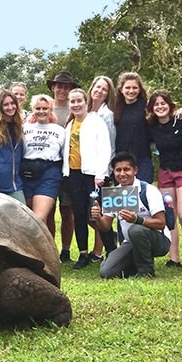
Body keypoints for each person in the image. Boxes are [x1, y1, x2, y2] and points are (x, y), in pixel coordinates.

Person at [146, 90, 182, 269]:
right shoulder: (152, 127)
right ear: (152, 109)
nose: (160, 107)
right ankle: (174, 258)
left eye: (163, 103)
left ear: (170, 105)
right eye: (156, 105)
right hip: (166, 172)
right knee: (170, 216)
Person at [94, 152, 171, 278]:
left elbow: (161, 223)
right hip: (129, 242)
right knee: (106, 272)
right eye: (118, 170)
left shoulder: (148, 190)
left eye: (126, 169)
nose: (122, 174)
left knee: (136, 230)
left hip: (159, 240)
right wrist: (98, 217)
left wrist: (137, 219)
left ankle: (146, 271)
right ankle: (133, 265)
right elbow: (105, 227)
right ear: (113, 172)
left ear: (135, 170)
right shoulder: (113, 194)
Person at [62, 88, 111, 269]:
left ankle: (111, 249)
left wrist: (101, 173)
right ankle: (83, 253)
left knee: (97, 214)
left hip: (92, 175)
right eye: (72, 102)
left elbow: (105, 149)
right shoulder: (69, 125)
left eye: (79, 101)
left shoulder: (96, 122)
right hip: (73, 174)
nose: (75, 104)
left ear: (85, 102)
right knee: (79, 215)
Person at [45, 71, 80, 262]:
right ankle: (50, 249)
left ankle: (66, 250)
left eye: (67, 87)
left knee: (67, 211)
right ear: (53, 87)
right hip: (48, 167)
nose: (62, 90)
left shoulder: (75, 109)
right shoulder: (44, 109)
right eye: (59, 86)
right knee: (48, 211)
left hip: (69, 167)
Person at [86, 75, 118, 261]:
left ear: (108, 94)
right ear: (91, 88)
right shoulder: (84, 109)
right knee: (87, 214)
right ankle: (109, 241)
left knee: (99, 212)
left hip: (101, 171)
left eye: (104, 89)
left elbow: (110, 145)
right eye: (97, 87)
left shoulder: (108, 115)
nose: (99, 91)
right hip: (84, 169)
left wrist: (104, 172)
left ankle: (100, 252)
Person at [21, 94, 64, 221]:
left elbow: (64, 154)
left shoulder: (60, 130)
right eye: (38, 108)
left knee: (38, 217)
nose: (41, 111)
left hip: (49, 172)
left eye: (45, 108)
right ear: (33, 110)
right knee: (27, 217)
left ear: (50, 109)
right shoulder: (24, 128)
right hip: (26, 172)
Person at [112, 72, 153, 182]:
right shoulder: (114, 109)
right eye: (127, 87)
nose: (131, 91)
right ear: (121, 89)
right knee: (123, 197)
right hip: (120, 161)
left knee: (142, 194)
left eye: (135, 87)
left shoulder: (147, 107)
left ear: (139, 89)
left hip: (142, 159)